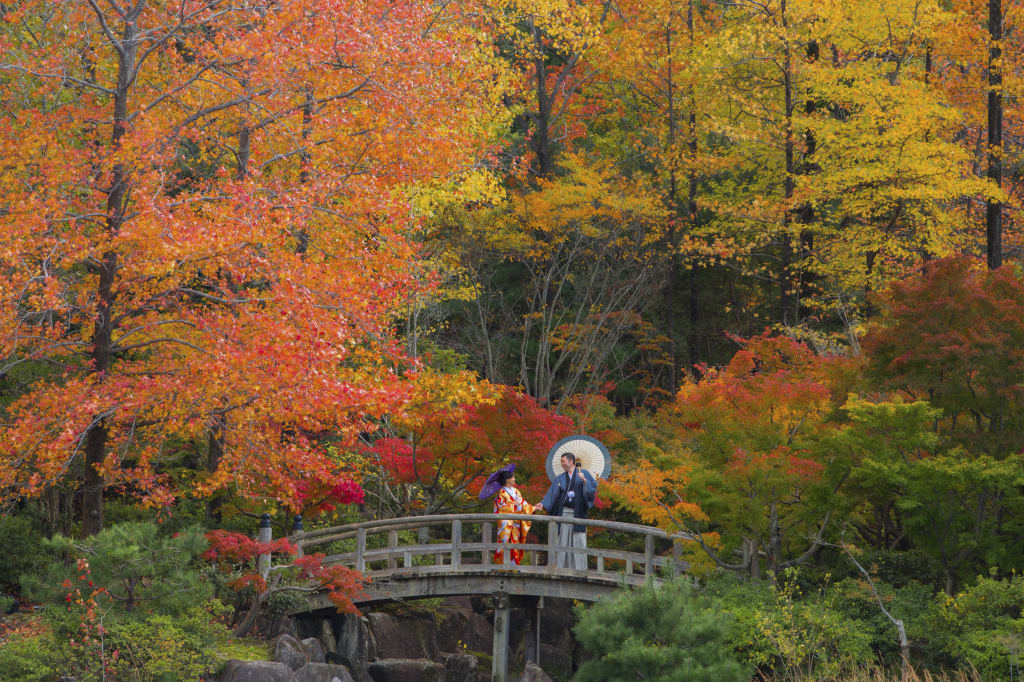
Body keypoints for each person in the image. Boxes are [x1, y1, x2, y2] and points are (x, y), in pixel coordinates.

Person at [535, 452, 597, 570]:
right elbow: (552, 493)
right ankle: (562, 567)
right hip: (564, 513)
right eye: (561, 462)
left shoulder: (584, 474)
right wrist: (543, 504)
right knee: (563, 539)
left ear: (571, 461)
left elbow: (592, 490)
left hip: (578, 513)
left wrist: (584, 481)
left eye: (563, 461)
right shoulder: (560, 478)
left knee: (578, 539)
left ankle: (580, 569)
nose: (562, 464)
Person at [491, 468, 534, 565]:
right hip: (506, 524)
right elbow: (500, 508)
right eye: (513, 477)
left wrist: (534, 508)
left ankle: (514, 566)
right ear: (507, 479)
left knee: (515, 544)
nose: (514, 479)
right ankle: (502, 567)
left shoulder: (516, 491)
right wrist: (515, 504)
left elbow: (523, 504)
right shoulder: (501, 493)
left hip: (516, 524)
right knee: (504, 544)